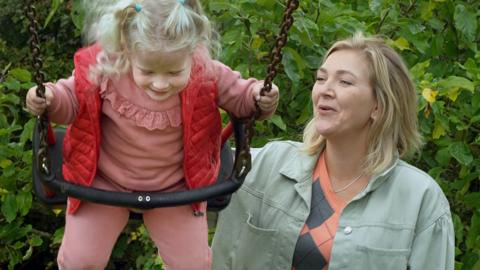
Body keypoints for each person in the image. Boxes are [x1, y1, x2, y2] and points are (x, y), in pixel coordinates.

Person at [25, 0, 279, 269]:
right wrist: (49, 100)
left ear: (192, 53)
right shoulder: (105, 67)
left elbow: (242, 100)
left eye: (174, 72)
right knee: (79, 261)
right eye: (147, 71)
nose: (160, 83)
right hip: (103, 181)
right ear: (127, 51)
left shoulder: (205, 72)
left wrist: (258, 97)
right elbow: (70, 101)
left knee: (192, 265)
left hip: (178, 187)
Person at [212, 32, 454, 270]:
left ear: (378, 106)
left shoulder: (420, 199)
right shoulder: (266, 164)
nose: (325, 90)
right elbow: (186, 183)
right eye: (320, 79)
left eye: (345, 82)